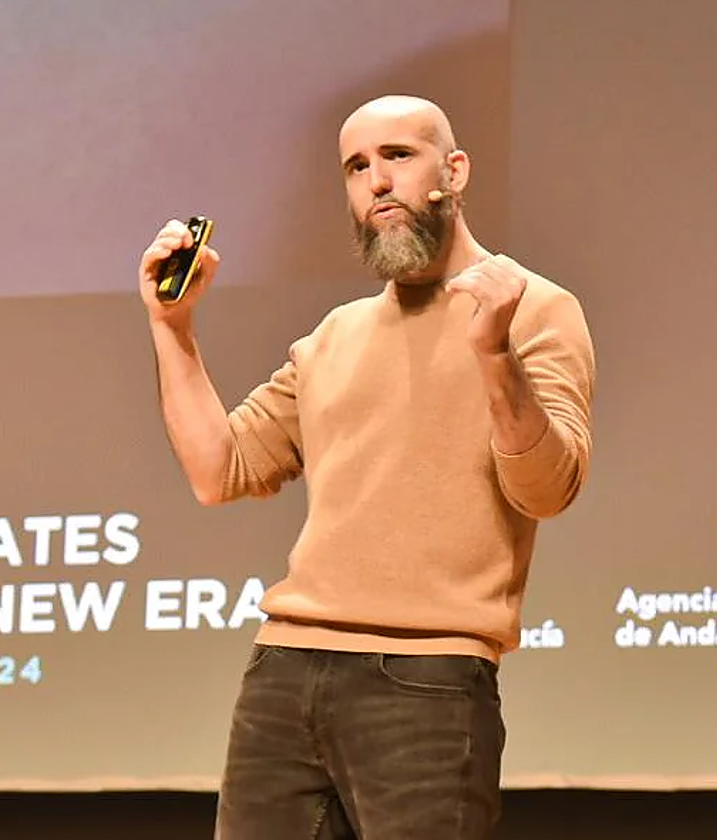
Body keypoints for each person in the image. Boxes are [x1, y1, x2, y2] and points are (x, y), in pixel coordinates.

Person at [138, 95, 596, 840]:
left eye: (398, 157)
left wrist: (492, 355)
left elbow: (547, 488)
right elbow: (217, 469)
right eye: (357, 166)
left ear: (454, 170)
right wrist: (173, 327)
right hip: (285, 669)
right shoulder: (334, 336)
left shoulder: (536, 309)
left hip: (427, 679)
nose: (377, 181)